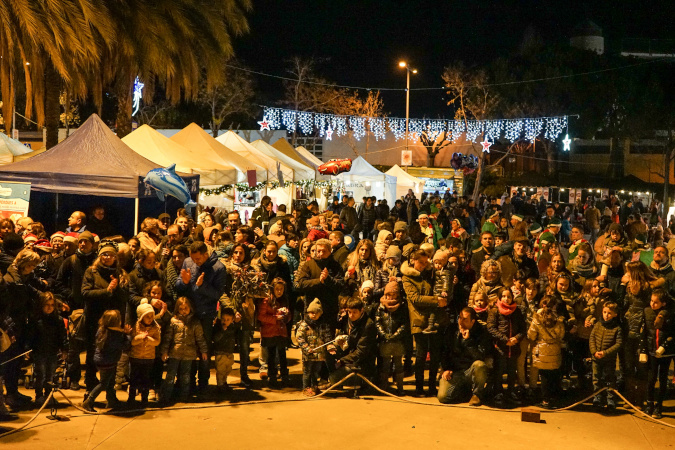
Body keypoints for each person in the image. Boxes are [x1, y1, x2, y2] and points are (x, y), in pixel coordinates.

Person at [175, 241, 226, 394]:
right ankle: (186, 381)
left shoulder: (218, 268)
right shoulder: (188, 262)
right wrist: (183, 282)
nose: (195, 263)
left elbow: (218, 294)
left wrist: (202, 286)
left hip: (206, 314)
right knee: (187, 347)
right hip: (188, 313)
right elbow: (179, 286)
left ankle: (203, 383)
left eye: (198, 259)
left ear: (206, 254)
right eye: (193, 259)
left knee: (204, 349)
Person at [81, 240, 130, 395]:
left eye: (110, 255)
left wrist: (116, 290)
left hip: (113, 321)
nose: (107, 257)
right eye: (104, 254)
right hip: (94, 319)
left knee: (112, 354)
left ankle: (110, 391)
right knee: (93, 353)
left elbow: (124, 298)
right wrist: (106, 290)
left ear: (115, 257)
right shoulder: (91, 272)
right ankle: (90, 387)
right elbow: (85, 293)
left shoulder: (120, 273)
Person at [402, 249, 447, 397]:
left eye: (425, 262)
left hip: (433, 319)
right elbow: (415, 298)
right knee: (421, 355)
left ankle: (432, 386)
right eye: (420, 262)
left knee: (435, 354)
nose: (423, 265)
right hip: (419, 319)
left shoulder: (429, 274)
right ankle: (419, 387)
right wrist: (436, 301)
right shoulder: (407, 278)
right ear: (413, 260)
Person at [437, 307, 491, 406]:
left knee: (480, 365)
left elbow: (480, 356)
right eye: (459, 318)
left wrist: (468, 341)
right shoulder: (452, 329)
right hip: (456, 371)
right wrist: (445, 369)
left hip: (471, 370)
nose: (461, 322)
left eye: (465, 319)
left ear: (472, 321)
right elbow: (445, 351)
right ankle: (465, 391)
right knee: (443, 397)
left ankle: (477, 394)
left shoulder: (481, 331)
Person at [159, 297, 208, 405]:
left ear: (190, 308)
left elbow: (200, 338)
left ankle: (184, 396)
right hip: (175, 353)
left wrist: (203, 351)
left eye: (186, 308)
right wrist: (164, 351)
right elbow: (168, 338)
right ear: (177, 309)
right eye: (181, 308)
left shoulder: (195, 322)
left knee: (185, 376)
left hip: (189, 354)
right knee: (170, 375)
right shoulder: (174, 321)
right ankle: (166, 396)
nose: (183, 311)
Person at [81, 310, 130, 412]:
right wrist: (127, 335)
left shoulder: (102, 330)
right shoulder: (114, 335)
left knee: (110, 381)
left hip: (101, 360)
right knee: (103, 383)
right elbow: (125, 345)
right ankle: (89, 401)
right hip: (108, 362)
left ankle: (112, 399)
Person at [295, 239, 346, 330]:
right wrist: (319, 281)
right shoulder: (308, 265)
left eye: (324, 251)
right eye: (319, 251)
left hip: (329, 309)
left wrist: (328, 280)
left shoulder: (336, 266)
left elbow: (340, 286)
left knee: (328, 339)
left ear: (330, 251)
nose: (321, 254)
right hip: (311, 308)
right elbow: (300, 284)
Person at [488, 288, 526, 406]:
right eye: (503, 296)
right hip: (500, 347)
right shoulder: (495, 311)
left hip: (514, 347)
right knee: (499, 370)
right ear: (500, 297)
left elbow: (522, 329)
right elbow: (491, 327)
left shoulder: (517, 311)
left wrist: (516, 338)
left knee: (512, 370)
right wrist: (505, 340)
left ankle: (510, 391)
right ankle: (498, 392)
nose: (506, 299)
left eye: (509, 296)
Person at [328, 297, 377, 386]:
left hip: (362, 363)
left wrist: (342, 360)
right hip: (350, 356)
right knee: (330, 349)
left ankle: (365, 382)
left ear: (361, 310)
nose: (351, 315)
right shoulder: (348, 320)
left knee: (334, 378)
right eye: (349, 312)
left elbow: (361, 352)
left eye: (354, 312)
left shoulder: (368, 325)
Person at [640, 289, 673, 419]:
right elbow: (644, 331)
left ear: (663, 303)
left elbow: (672, 333)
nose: (652, 304)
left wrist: (665, 346)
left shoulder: (670, 314)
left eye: (656, 302)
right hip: (652, 350)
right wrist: (643, 349)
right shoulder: (647, 312)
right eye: (651, 301)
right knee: (651, 377)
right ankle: (649, 404)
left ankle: (659, 406)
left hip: (665, 353)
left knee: (663, 378)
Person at [29, 292, 67, 405]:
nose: (49, 307)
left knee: (50, 375)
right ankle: (39, 395)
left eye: (51, 305)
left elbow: (62, 336)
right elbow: (30, 336)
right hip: (39, 351)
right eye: (47, 304)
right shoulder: (36, 320)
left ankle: (49, 394)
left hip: (52, 351)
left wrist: (64, 349)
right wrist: (28, 348)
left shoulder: (58, 320)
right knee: (40, 374)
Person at [528, 305, 565, 409]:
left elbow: (531, 335)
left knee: (544, 376)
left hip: (542, 351)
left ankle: (545, 400)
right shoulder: (558, 321)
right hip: (555, 350)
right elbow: (561, 335)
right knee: (553, 374)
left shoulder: (537, 321)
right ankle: (554, 399)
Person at [375, 281, 408, 395]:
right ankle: (384, 387)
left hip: (397, 341)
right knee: (385, 365)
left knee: (398, 365)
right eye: (389, 294)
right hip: (385, 340)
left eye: (393, 294)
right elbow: (378, 321)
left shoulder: (402, 306)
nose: (391, 296)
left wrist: (396, 335)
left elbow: (404, 324)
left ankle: (400, 387)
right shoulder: (381, 306)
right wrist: (383, 334)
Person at [589, 301, 622, 411]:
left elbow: (618, 343)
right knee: (596, 378)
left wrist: (605, 353)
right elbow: (592, 338)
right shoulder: (598, 325)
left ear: (614, 315)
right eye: (604, 312)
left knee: (609, 378)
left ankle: (610, 399)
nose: (606, 315)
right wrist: (594, 352)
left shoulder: (617, 328)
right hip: (596, 357)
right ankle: (597, 397)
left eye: (609, 313)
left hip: (609, 359)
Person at [258, 278, 291, 388]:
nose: (279, 291)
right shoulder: (266, 300)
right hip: (270, 332)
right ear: (273, 289)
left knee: (282, 354)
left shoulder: (284, 300)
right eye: (277, 289)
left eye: (281, 289)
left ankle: (285, 375)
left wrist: (286, 315)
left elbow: (289, 316)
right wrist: (275, 318)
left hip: (281, 331)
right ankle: (272, 376)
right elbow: (261, 316)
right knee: (271, 355)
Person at [296, 299, 332, 396]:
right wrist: (307, 348)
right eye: (311, 312)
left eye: (316, 312)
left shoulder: (322, 325)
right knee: (307, 371)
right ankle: (306, 387)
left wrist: (329, 345)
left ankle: (314, 386)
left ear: (320, 313)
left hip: (319, 354)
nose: (314, 315)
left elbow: (326, 336)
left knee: (316, 371)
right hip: (308, 354)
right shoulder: (304, 325)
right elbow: (299, 338)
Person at [128, 299, 160, 406]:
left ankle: (144, 398)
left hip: (148, 358)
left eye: (152, 316)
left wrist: (149, 339)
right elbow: (132, 341)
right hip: (136, 357)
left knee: (146, 379)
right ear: (141, 317)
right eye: (147, 316)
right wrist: (140, 337)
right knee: (134, 378)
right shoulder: (136, 326)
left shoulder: (155, 327)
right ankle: (131, 398)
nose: (150, 319)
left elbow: (157, 341)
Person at [212, 307, 239, 393]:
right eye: (223, 319)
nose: (225, 321)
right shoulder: (218, 327)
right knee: (221, 370)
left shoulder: (232, 327)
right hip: (220, 352)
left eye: (228, 320)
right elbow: (215, 338)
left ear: (232, 320)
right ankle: (220, 385)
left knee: (228, 369)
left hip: (229, 351)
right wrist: (222, 331)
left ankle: (224, 382)